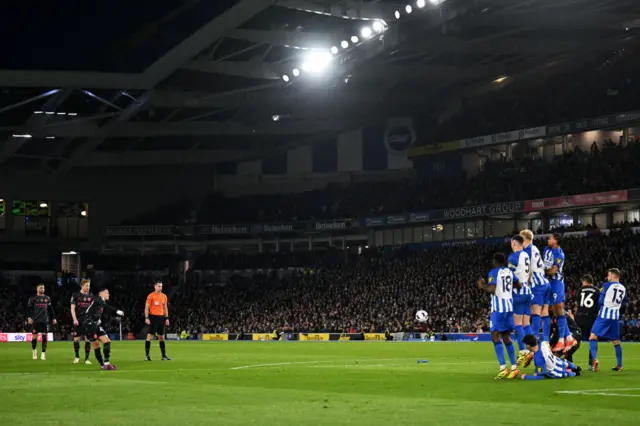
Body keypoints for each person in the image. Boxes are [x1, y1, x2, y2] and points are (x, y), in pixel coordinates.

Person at [477, 252, 521, 379]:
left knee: (495, 335)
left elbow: (491, 289)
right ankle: (514, 367)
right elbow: (518, 285)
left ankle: (503, 367)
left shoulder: (494, 272)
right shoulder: (509, 272)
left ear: (495, 261)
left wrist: (483, 285)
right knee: (506, 336)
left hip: (499, 308)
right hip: (509, 306)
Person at [543, 233, 576, 352]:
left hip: (556, 283)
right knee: (554, 310)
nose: (548, 240)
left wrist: (539, 271)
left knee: (558, 309)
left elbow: (552, 271)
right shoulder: (546, 249)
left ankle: (562, 340)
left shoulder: (559, 254)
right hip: (548, 283)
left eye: (550, 238)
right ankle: (568, 337)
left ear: (556, 241)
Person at [589, 268, 627, 372]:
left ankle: (595, 359)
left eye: (609, 275)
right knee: (616, 341)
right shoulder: (623, 288)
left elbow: (600, 301)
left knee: (593, 336)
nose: (608, 277)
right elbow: (624, 303)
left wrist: (600, 306)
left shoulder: (606, 285)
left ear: (614, 276)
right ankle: (619, 365)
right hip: (615, 317)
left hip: (604, 315)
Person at [507, 235, 533, 374]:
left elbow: (510, 276)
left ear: (513, 243)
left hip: (518, 293)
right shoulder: (526, 255)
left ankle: (523, 350)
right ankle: (534, 348)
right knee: (525, 323)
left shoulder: (513, 257)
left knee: (517, 323)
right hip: (527, 291)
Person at [520, 229, 551, 344]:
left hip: (537, 285)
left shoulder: (527, 251)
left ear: (524, 239)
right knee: (545, 312)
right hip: (545, 283)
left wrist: (525, 284)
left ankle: (534, 340)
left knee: (536, 312)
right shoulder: (535, 248)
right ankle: (546, 340)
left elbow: (528, 271)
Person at [83, 288, 124, 370]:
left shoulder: (100, 303)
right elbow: (106, 307)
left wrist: (99, 320)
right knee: (96, 346)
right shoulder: (98, 299)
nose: (108, 294)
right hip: (89, 325)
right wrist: (117, 311)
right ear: (101, 293)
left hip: (96, 324)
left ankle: (106, 363)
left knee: (107, 341)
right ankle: (103, 365)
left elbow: (97, 312)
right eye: (107, 293)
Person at [574, 274, 600, 368]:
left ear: (585, 281)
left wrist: (575, 317)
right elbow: (599, 304)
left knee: (575, 340)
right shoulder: (597, 290)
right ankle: (591, 363)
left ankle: (569, 360)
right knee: (593, 339)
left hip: (580, 317)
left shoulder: (580, 290)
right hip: (592, 318)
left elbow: (577, 305)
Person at [27, 284, 57, 361]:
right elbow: (29, 309)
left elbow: (50, 309)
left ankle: (43, 354)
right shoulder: (32, 298)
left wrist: (53, 318)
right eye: (41, 288)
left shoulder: (47, 298)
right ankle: (34, 351)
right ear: (37, 289)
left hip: (45, 320)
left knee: (44, 337)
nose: (43, 289)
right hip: (36, 320)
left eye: (43, 288)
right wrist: (29, 317)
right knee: (34, 337)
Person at [145, 281, 171, 361]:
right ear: (155, 286)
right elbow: (146, 308)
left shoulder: (164, 296)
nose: (160, 288)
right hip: (153, 317)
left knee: (162, 337)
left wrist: (166, 318)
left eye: (161, 286)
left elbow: (165, 308)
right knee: (150, 336)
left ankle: (163, 356)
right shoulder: (151, 296)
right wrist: (147, 317)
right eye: (159, 286)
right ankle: (147, 356)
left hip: (161, 318)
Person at [70, 279, 94, 364]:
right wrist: (75, 319)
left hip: (88, 321)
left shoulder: (91, 296)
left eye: (89, 286)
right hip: (78, 320)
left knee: (88, 339)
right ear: (82, 286)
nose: (88, 287)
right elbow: (72, 309)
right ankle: (77, 356)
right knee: (76, 339)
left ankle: (87, 359)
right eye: (87, 285)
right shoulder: (75, 295)